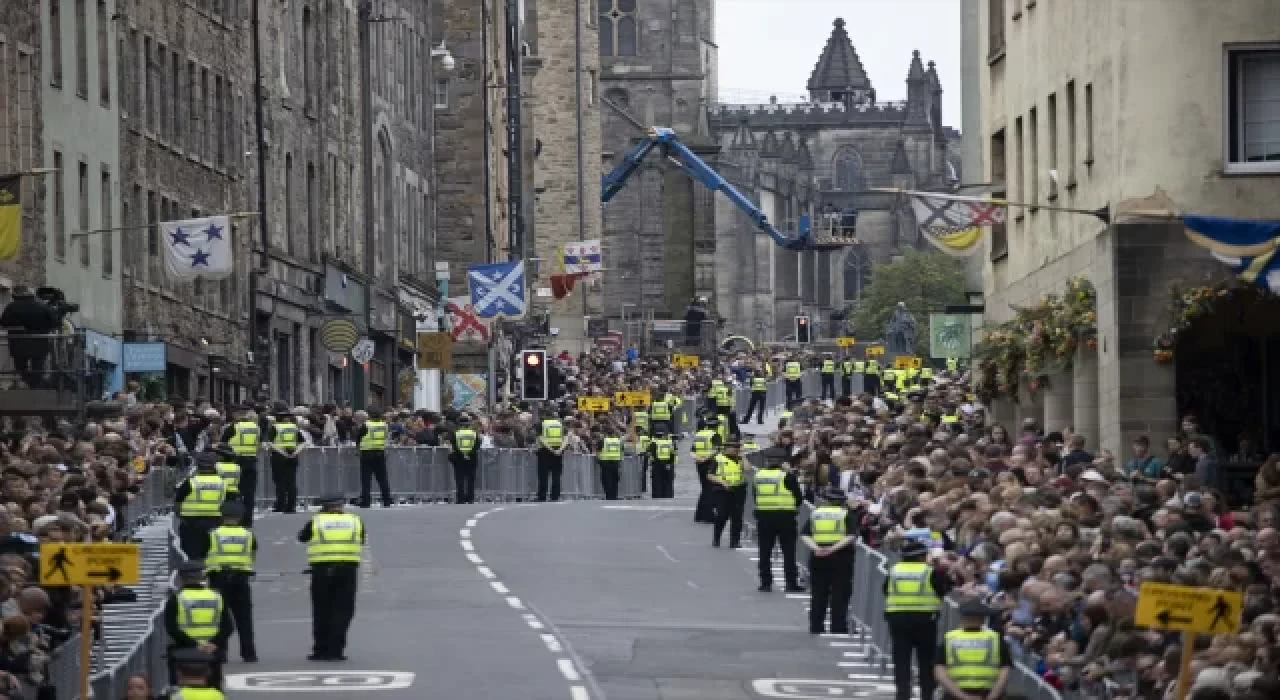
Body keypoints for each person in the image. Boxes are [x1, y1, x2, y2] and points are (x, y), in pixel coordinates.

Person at [298, 494, 365, 661]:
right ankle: (336, 650)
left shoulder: (316, 521)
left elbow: (302, 537)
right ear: (341, 506)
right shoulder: (355, 521)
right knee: (343, 611)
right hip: (347, 570)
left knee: (322, 610)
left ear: (323, 507)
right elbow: (362, 539)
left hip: (322, 570)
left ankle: (320, 649)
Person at [884, 538, 951, 700]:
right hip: (925, 619)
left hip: (898, 618)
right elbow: (943, 590)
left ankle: (902, 694)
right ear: (922, 556)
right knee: (926, 660)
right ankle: (926, 695)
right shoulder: (929, 571)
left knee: (901, 659)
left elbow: (886, 590)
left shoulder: (894, 570)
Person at [165, 561, 233, 689]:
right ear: (203, 577)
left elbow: (172, 628)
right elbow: (228, 627)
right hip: (212, 652)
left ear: (181, 578)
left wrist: (196, 645)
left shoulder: (176, 599)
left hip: (184, 653)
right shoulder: (217, 596)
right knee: (213, 691)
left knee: (182, 692)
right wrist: (213, 644)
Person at [205, 502, 258, 663]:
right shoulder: (248, 534)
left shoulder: (213, 534)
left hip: (218, 578)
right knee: (244, 618)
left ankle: (220, 652)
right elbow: (253, 552)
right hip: (241, 578)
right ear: (240, 517)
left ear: (221, 516)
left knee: (220, 618)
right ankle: (249, 653)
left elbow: (204, 553)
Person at [801, 487, 856, 634]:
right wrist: (833, 549)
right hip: (841, 557)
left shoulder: (816, 514)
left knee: (818, 593)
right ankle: (838, 627)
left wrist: (816, 548)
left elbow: (805, 534)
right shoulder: (846, 514)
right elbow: (851, 535)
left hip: (818, 557)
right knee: (840, 593)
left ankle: (816, 626)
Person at [934, 599, 1011, 700]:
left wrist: (963, 696)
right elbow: (1005, 671)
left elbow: (940, 672)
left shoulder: (949, 638)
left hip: (955, 695)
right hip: (987, 694)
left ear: (961, 617)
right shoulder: (995, 639)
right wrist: (993, 695)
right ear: (983, 619)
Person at [753, 446, 803, 593]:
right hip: (785, 516)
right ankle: (791, 583)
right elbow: (798, 499)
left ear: (767, 461)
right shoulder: (787, 476)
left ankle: (765, 582)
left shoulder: (759, 475)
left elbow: (756, 496)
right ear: (782, 462)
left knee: (765, 550)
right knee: (788, 551)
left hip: (764, 516)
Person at [0, 285, 58, 388]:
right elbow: (53, 322)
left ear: (15, 296)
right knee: (38, 367)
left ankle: (28, 381)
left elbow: (4, 322)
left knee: (21, 367)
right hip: (40, 342)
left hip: (18, 343)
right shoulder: (42, 306)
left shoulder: (11, 307)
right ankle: (36, 384)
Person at [176, 454, 228, 560]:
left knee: (191, 554)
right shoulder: (222, 483)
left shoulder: (191, 482)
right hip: (214, 520)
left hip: (191, 522)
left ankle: (195, 572)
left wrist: (180, 515)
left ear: (198, 467)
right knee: (211, 553)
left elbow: (178, 501)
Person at [221, 406, 261, 525]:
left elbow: (224, 443)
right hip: (251, 461)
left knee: (233, 491)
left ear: (237, 414)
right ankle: (248, 520)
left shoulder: (233, 427)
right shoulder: (255, 428)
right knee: (249, 493)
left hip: (235, 462)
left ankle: (235, 518)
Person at [709, 438, 749, 548]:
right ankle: (716, 539)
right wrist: (722, 482)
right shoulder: (718, 458)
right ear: (726, 448)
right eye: (733, 447)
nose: (736, 449)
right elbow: (710, 475)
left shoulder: (739, 459)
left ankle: (734, 541)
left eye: (737, 447)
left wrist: (743, 456)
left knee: (737, 517)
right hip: (722, 491)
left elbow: (747, 469)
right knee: (721, 515)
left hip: (739, 490)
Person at [354, 410, 393, 508]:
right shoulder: (384, 425)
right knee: (383, 479)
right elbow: (386, 437)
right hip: (380, 452)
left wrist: (358, 448)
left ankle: (366, 502)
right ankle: (387, 500)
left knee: (366, 479)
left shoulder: (366, 425)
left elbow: (358, 437)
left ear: (370, 416)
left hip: (367, 453)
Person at [268, 408, 302, 513]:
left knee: (280, 482)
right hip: (292, 456)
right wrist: (295, 453)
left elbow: (270, 443)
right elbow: (303, 442)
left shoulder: (275, 427)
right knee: (291, 483)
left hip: (279, 457)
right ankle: (291, 507)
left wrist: (282, 453)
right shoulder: (294, 427)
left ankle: (280, 505)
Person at [691, 416, 723, 523]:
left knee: (705, 488)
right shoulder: (715, 435)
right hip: (710, 463)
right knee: (709, 489)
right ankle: (708, 516)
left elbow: (692, 451)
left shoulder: (699, 434)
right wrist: (705, 458)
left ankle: (699, 514)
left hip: (699, 463)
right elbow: (716, 450)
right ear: (716, 426)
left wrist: (698, 458)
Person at [449, 415, 480, 504]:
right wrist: (469, 453)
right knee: (471, 479)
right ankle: (470, 498)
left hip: (459, 458)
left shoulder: (456, 433)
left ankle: (460, 498)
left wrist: (462, 453)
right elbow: (477, 445)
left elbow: (454, 445)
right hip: (472, 457)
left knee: (459, 479)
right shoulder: (474, 433)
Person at [536, 415, 566, 502]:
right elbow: (566, 438)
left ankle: (542, 496)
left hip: (545, 452)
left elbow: (541, 439)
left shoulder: (542, 424)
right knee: (556, 475)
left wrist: (551, 449)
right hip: (558, 451)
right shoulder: (560, 424)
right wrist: (560, 450)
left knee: (543, 476)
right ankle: (555, 496)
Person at [648, 428, 676, 499]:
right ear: (663, 435)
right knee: (668, 481)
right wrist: (670, 463)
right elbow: (673, 453)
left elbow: (650, 454)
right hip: (668, 463)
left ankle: (657, 495)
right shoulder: (670, 442)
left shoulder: (654, 443)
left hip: (657, 464)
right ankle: (668, 495)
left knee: (657, 481)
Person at [597, 426, 624, 501]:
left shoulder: (603, 441)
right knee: (615, 480)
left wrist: (599, 460)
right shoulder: (618, 441)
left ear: (605, 433)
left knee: (606, 481)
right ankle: (614, 496)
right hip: (616, 463)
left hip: (605, 463)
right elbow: (622, 451)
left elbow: (598, 452)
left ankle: (609, 496)